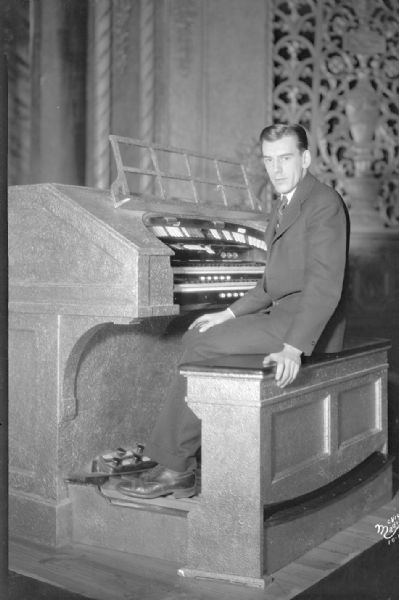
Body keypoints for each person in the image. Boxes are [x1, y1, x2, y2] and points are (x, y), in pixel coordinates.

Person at [117, 123, 350, 499]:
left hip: (306, 323)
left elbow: (325, 286)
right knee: (199, 334)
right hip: (285, 314)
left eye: (286, 158)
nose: (276, 169)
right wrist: (228, 314)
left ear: (305, 159)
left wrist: (294, 347)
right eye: (269, 160)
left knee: (202, 346)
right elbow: (270, 283)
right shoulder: (285, 203)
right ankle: (172, 456)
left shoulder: (323, 203)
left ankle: (176, 465)